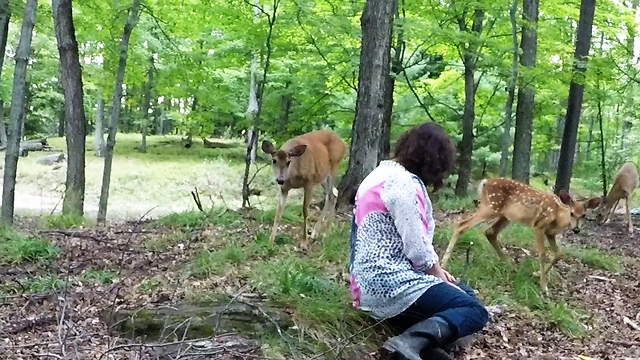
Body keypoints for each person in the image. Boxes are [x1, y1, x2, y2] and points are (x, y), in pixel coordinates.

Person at [348, 122, 489, 360]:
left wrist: (439, 273)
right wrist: (436, 273)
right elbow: (416, 249)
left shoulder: (380, 174)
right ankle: (407, 343)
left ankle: (423, 349)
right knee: (474, 310)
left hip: (366, 283)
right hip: (388, 282)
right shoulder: (402, 183)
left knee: (465, 293)